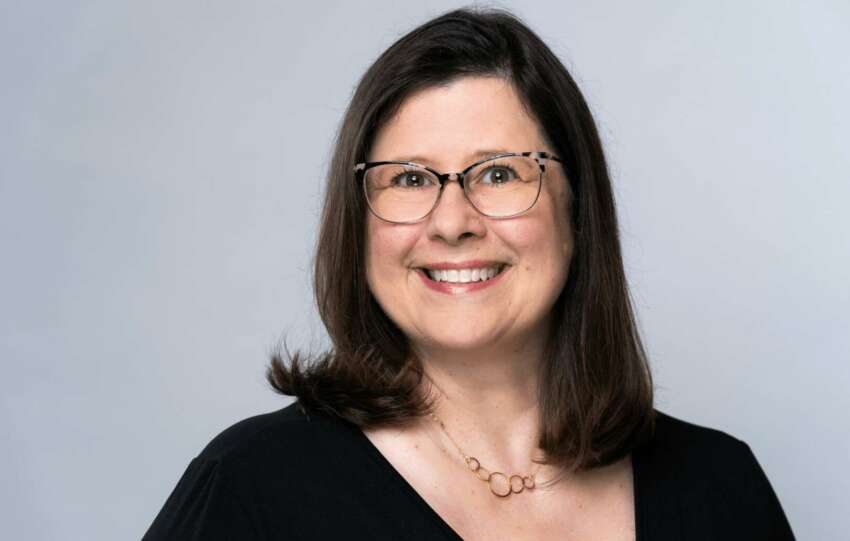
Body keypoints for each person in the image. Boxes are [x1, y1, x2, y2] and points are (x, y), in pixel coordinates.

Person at [143, 8, 794, 540]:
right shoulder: (252, 488)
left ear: (577, 209)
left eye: (499, 173)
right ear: (358, 222)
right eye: (409, 179)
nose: (452, 221)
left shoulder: (721, 487)